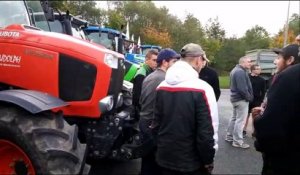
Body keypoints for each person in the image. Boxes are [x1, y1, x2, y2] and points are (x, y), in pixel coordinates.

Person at [151, 43, 219, 175]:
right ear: (198, 60)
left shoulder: (162, 85)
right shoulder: (203, 89)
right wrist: (208, 159)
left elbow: (155, 124)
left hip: (164, 157)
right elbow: (207, 132)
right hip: (191, 163)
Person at [252, 44, 300, 175]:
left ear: (289, 60)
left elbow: (273, 125)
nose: (275, 61)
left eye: (278, 57)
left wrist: (258, 120)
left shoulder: (287, 78)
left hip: (284, 158)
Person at [139, 48, 180, 175]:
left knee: (147, 159)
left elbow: (141, 100)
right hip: (152, 124)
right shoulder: (164, 79)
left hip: (145, 121)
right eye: (174, 61)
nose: (176, 65)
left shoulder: (151, 75)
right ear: (165, 62)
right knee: (155, 162)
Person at [225, 56, 253, 148]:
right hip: (241, 99)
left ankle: (229, 137)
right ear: (243, 62)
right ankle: (237, 141)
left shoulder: (236, 70)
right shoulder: (240, 72)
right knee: (240, 121)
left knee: (234, 118)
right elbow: (242, 88)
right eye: (249, 62)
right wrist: (249, 97)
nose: (250, 63)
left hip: (235, 99)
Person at [132, 49, 158, 120]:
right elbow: (137, 96)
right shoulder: (142, 74)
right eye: (154, 60)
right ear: (147, 60)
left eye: (157, 61)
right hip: (142, 112)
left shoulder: (149, 71)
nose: (156, 63)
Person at [243, 64, 266, 137]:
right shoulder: (247, 77)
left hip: (257, 100)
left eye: (260, 69)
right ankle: (243, 130)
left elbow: (263, 91)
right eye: (258, 69)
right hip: (247, 99)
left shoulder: (262, 80)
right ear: (253, 70)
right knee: (245, 115)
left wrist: (262, 101)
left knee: (255, 116)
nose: (259, 70)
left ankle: (254, 131)